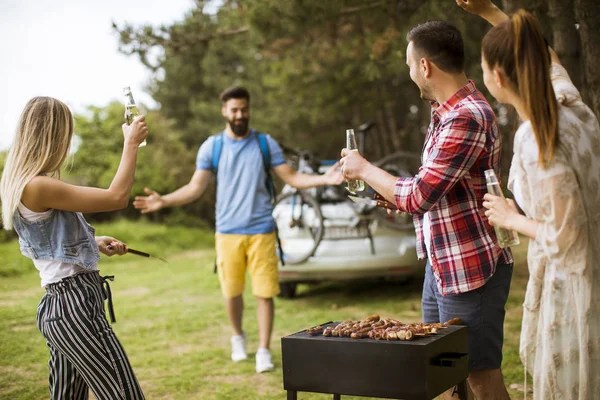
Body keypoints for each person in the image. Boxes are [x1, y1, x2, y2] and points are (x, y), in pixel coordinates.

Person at [340, 20, 513, 399]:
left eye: (408, 64)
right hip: (442, 266)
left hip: (471, 272)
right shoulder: (444, 113)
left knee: (479, 377)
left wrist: (364, 168)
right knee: (442, 373)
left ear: (425, 66)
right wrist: (391, 196)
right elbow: (436, 192)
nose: (407, 72)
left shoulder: (466, 116)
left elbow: (419, 194)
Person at [133, 86, 342, 373]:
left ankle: (264, 350)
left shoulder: (265, 144)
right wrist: (164, 200)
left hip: (262, 231)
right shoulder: (213, 147)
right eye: (234, 110)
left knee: (264, 293)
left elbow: (291, 177)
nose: (239, 114)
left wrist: (324, 179)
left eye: (243, 109)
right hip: (228, 232)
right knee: (232, 293)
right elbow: (196, 187)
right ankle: (237, 336)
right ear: (224, 111)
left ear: (249, 109)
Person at [456, 0, 600, 398]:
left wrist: (509, 217)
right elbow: (546, 56)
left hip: (573, 292)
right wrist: (489, 11)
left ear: (497, 77)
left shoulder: (537, 136)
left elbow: (565, 234)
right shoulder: (574, 108)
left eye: (482, 68)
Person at [0, 97, 149, 399]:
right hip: (76, 306)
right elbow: (116, 197)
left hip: (60, 309)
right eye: (66, 135)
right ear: (52, 136)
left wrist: (92, 241)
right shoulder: (38, 185)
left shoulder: (23, 183)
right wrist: (130, 144)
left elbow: (48, 242)